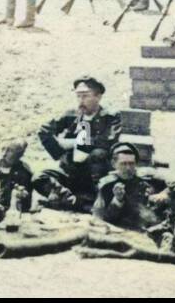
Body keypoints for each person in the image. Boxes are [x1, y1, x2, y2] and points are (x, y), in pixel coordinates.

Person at [33, 77, 121, 210]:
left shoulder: (110, 116)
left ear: (98, 96)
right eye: (78, 96)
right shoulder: (71, 115)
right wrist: (59, 153)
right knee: (39, 177)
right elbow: (44, 130)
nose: (81, 101)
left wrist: (73, 142)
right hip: (70, 170)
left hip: (95, 173)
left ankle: (93, 199)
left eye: (85, 96)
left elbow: (108, 141)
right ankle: (69, 199)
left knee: (98, 153)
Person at [92, 142, 165, 230]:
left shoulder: (147, 180)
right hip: (120, 233)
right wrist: (118, 200)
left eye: (131, 163)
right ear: (113, 164)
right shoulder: (106, 186)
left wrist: (163, 194)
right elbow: (100, 219)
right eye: (123, 164)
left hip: (148, 230)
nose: (128, 168)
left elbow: (171, 187)